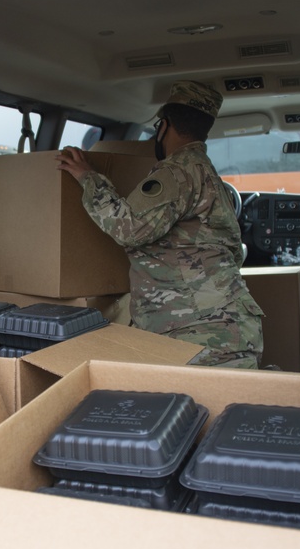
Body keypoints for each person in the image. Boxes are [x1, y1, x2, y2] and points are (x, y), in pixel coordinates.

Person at [55, 80, 264, 369]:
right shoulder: (205, 172)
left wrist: (88, 178)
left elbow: (128, 229)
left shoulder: (177, 171)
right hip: (220, 327)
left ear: (164, 126)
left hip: (201, 334)